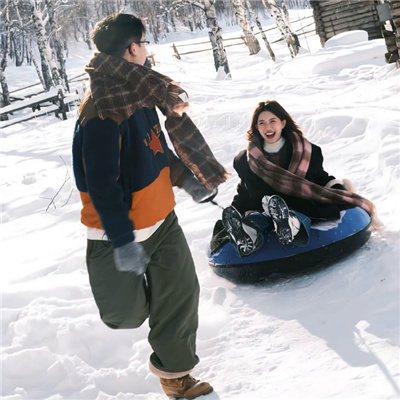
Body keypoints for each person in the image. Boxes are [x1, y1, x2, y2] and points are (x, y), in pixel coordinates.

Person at [72, 13, 227, 399]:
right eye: (144, 43)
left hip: (162, 223)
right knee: (124, 315)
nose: (146, 50)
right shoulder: (102, 111)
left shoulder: (138, 91)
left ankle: (176, 378)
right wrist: (123, 241)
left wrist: (187, 179)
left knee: (181, 295)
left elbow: (153, 148)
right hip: (116, 235)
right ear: (132, 49)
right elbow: (101, 185)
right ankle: (129, 298)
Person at [220, 100, 382, 257]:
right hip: (262, 208)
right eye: (261, 123)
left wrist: (340, 191)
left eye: (272, 121)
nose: (267, 127)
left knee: (294, 213)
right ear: (256, 127)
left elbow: (320, 178)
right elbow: (244, 190)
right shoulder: (245, 160)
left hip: (298, 204)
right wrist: (233, 213)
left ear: (283, 123)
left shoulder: (307, 152)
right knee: (256, 218)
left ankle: (290, 224)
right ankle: (248, 235)